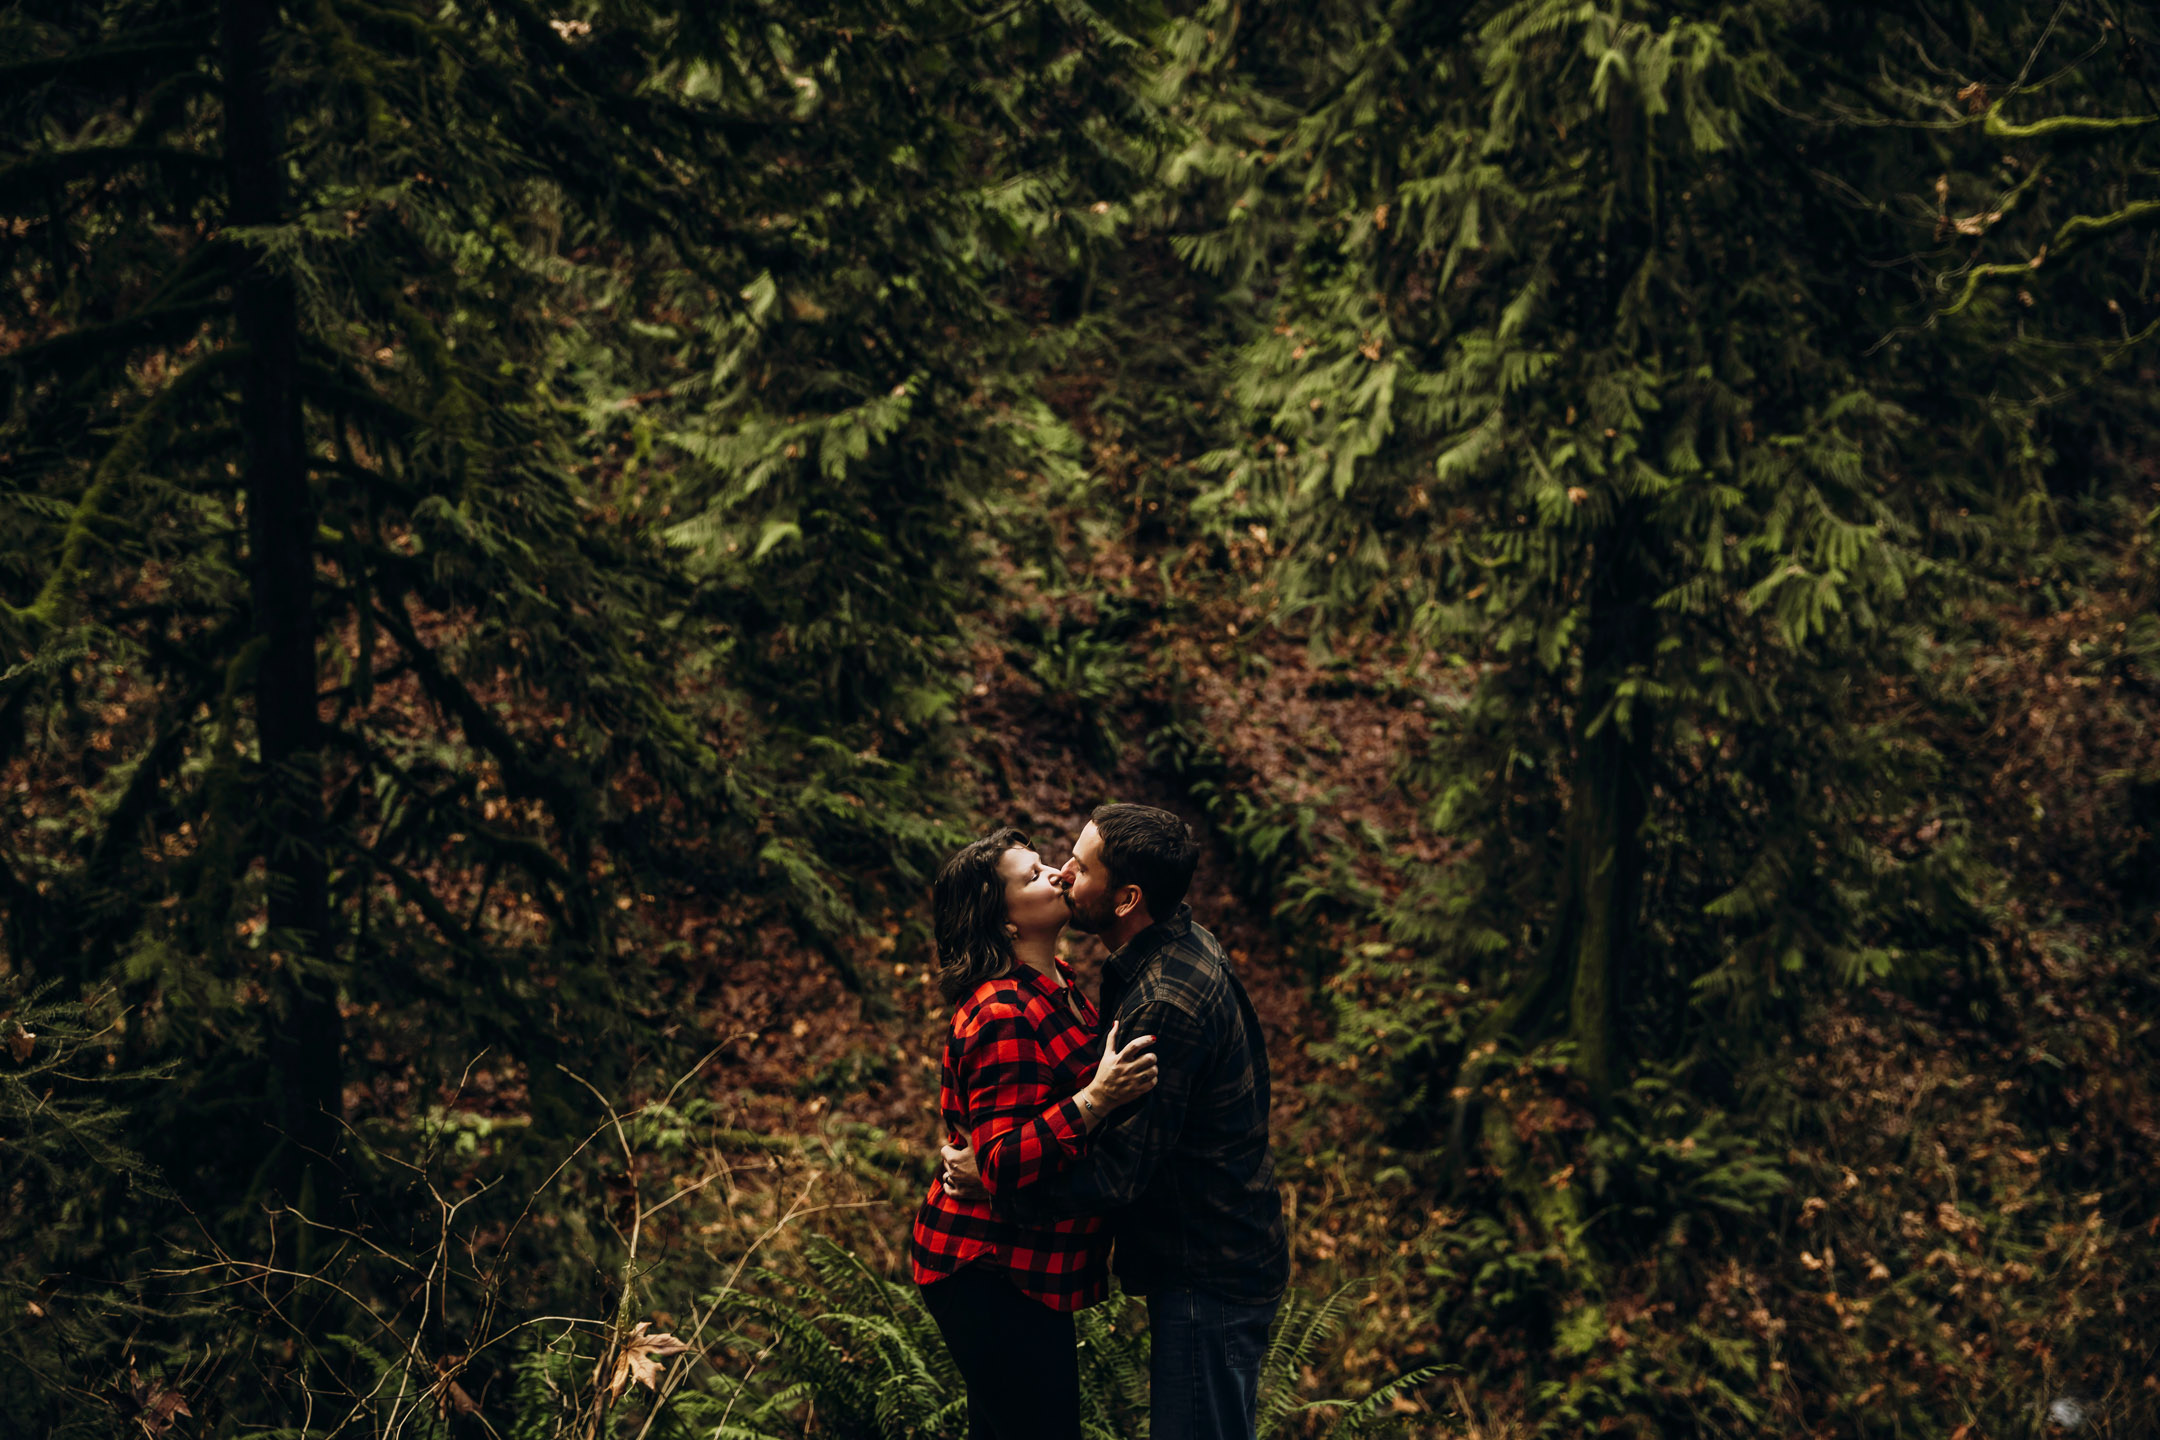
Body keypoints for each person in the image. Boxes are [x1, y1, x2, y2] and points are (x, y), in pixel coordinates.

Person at [942, 803, 1289, 1440]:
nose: (1064, 873)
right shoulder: (1170, 951)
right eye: (1050, 864)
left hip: (1206, 1262)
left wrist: (995, 1187)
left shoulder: (1154, 997)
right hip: (1022, 1269)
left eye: (1077, 864)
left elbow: (1119, 1169)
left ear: (1128, 898)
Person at [909, 826, 1162, 1440]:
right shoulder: (1001, 1012)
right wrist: (1097, 1098)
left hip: (1025, 1268)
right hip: (987, 1270)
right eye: (1032, 876)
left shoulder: (1060, 983)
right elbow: (1002, 1159)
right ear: (1004, 924)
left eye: (1046, 864)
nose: (1055, 874)